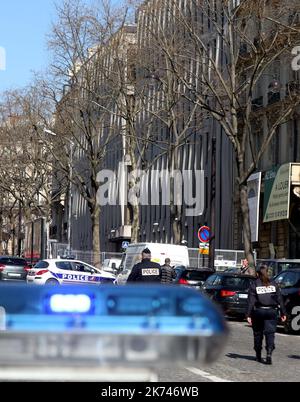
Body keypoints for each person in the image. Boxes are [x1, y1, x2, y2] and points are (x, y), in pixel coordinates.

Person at [246, 264, 287, 365]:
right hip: (271, 312)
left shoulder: (254, 284)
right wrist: (283, 312)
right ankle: (269, 353)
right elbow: (280, 299)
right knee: (270, 333)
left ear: (257, 274)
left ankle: (258, 354)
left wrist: (248, 315)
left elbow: (251, 301)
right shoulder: (274, 284)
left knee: (258, 334)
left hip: (258, 312)